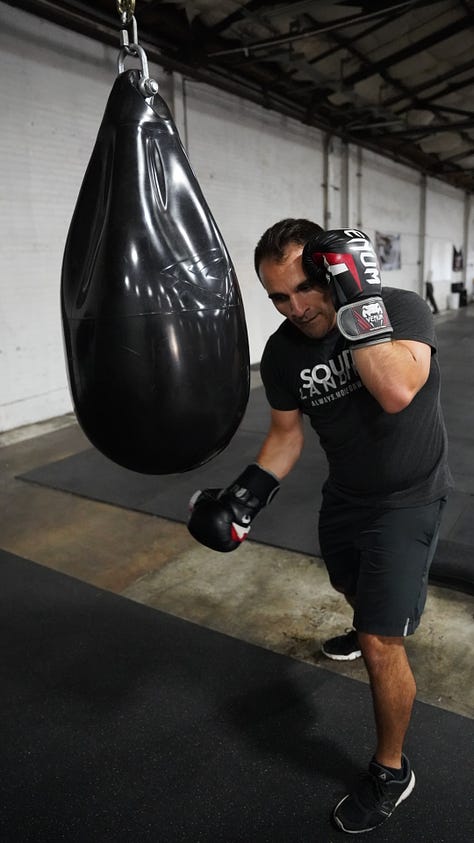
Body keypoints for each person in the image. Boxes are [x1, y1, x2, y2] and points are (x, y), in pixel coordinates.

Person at [188, 220, 452, 835]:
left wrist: (356, 298)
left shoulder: (400, 310)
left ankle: (391, 770)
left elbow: (394, 390)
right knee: (350, 589)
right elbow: (285, 436)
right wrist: (243, 499)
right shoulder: (283, 352)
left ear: (336, 268)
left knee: (383, 641)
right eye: (278, 295)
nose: (298, 307)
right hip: (348, 497)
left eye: (307, 286)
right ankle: (364, 622)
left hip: (410, 499)